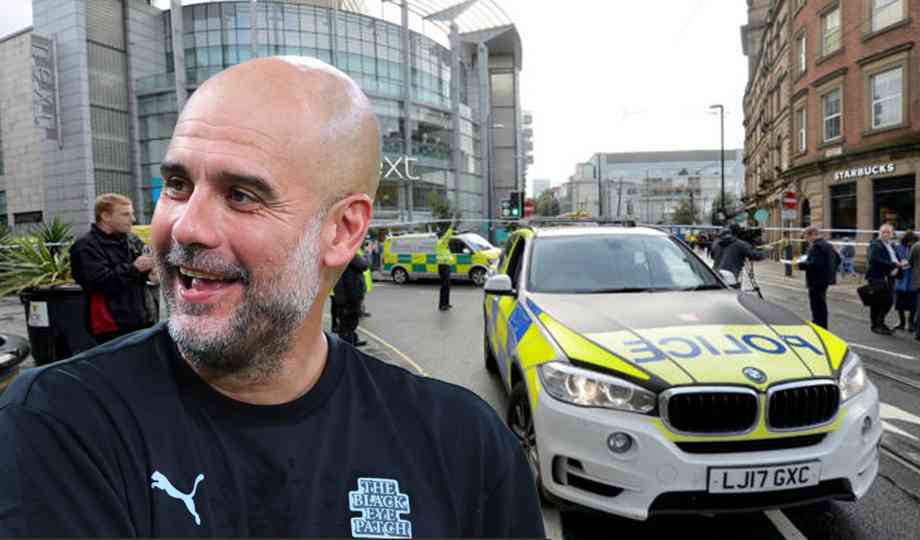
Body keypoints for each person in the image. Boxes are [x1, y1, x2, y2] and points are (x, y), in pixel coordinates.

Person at [0, 57, 544, 537]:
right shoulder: (60, 426)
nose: (186, 227)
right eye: (178, 185)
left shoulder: (463, 448)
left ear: (342, 231)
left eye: (241, 195)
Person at [69, 193, 158, 345]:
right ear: (105, 216)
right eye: (125, 214)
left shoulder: (132, 240)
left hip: (142, 319)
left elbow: (140, 276)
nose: (133, 219)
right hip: (110, 326)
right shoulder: (85, 246)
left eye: (132, 214)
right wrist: (135, 268)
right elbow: (98, 283)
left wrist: (151, 273)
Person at [866, 223, 907, 335]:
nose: (885, 234)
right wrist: (894, 264)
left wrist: (901, 263)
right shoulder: (875, 244)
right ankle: (876, 325)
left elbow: (894, 258)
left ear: (892, 234)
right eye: (883, 231)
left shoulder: (891, 245)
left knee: (887, 301)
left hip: (890, 277)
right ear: (880, 233)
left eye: (888, 232)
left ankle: (880, 323)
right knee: (880, 302)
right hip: (877, 277)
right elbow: (873, 259)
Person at [797, 226, 840, 329]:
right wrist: (830, 270)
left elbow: (814, 264)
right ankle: (822, 325)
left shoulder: (816, 247)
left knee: (816, 306)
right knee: (821, 304)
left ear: (812, 235)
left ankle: (819, 326)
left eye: (806, 237)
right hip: (825, 280)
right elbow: (838, 259)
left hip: (816, 280)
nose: (807, 240)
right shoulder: (828, 245)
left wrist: (799, 264)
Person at [333, 251, 368, 346]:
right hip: (350, 296)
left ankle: (352, 341)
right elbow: (364, 265)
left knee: (350, 322)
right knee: (348, 323)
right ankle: (347, 346)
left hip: (349, 294)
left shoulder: (341, 256)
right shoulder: (348, 254)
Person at [894, 230, 919, 332]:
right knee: (899, 303)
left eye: (912, 241)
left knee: (913, 303)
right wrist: (899, 263)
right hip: (901, 278)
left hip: (913, 278)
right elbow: (894, 259)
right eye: (909, 241)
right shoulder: (898, 248)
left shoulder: (917, 248)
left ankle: (911, 322)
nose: (911, 243)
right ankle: (901, 322)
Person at [437, 224, 455, 311]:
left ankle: (446, 303)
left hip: (446, 266)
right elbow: (447, 236)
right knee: (444, 286)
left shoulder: (444, 246)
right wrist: (451, 226)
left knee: (447, 286)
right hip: (443, 267)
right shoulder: (441, 243)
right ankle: (442, 305)